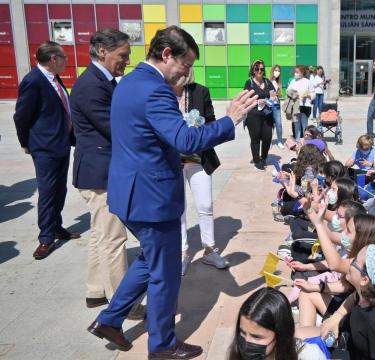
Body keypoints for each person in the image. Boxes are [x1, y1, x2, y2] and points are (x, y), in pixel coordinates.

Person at [86, 26, 257, 359]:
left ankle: (109, 319)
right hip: (152, 198)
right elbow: (187, 141)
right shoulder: (155, 91)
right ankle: (162, 345)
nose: (186, 72)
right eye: (185, 64)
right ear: (167, 55)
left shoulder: (131, 82)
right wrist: (230, 119)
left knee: (150, 259)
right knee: (164, 275)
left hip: (130, 193)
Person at [70, 29, 131, 308]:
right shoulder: (92, 85)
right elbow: (114, 127)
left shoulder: (103, 81)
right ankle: (121, 301)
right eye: (123, 55)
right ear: (103, 51)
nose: (126, 61)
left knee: (100, 234)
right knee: (114, 239)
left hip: (98, 170)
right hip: (100, 174)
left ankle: (95, 290)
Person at [13, 41, 80, 260]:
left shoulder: (52, 77)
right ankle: (45, 238)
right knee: (48, 191)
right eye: (64, 58)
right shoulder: (33, 81)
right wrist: (25, 143)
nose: (66, 61)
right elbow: (21, 116)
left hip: (60, 144)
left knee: (59, 190)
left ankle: (56, 226)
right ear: (53, 58)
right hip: (45, 147)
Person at [172, 67, 229, 276]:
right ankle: (182, 253)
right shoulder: (163, 92)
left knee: (205, 204)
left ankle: (209, 250)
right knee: (178, 208)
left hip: (198, 158)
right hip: (172, 161)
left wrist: (200, 125)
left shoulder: (200, 92)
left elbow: (212, 123)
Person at [228, 288, 325, 360]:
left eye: (256, 337)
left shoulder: (310, 356)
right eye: (243, 333)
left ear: (280, 334)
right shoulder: (237, 353)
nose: (246, 342)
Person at [244, 59, 276, 170]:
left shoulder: (267, 82)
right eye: (257, 69)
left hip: (267, 115)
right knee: (255, 138)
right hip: (253, 116)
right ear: (253, 70)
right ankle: (257, 161)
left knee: (267, 138)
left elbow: (273, 95)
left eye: (261, 69)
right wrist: (257, 102)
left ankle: (264, 158)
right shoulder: (249, 83)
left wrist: (270, 100)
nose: (259, 71)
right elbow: (246, 99)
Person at [288, 65, 316, 142]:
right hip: (295, 105)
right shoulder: (293, 81)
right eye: (295, 72)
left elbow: (313, 93)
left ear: (302, 72)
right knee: (296, 124)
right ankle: (297, 140)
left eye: (297, 72)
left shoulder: (308, 82)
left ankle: (305, 141)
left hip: (305, 106)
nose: (295, 73)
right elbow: (288, 91)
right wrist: (294, 94)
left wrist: (309, 96)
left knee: (304, 125)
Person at [269, 65, 284, 149]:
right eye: (275, 70)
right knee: (269, 124)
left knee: (278, 124)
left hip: (277, 105)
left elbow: (279, 93)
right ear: (272, 71)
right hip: (269, 105)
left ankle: (279, 141)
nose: (277, 72)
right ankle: (268, 141)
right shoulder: (268, 81)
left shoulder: (279, 82)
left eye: (278, 71)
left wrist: (278, 94)